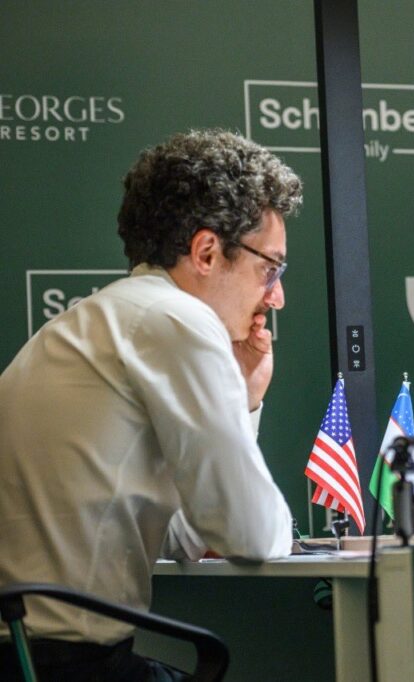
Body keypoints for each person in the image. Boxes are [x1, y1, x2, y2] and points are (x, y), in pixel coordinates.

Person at [0, 129, 302, 680]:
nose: (276, 296)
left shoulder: (105, 318)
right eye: (271, 268)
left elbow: (181, 538)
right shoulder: (176, 320)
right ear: (207, 252)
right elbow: (252, 534)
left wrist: (245, 400)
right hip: (67, 665)